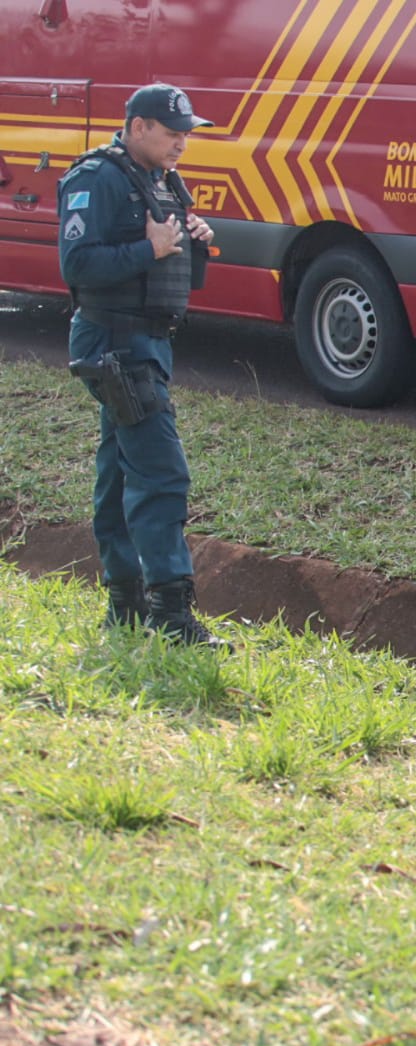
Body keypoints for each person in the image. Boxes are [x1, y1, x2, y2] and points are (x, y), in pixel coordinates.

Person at [57, 84, 225, 647]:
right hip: (114, 341)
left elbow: (173, 270)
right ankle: (171, 616)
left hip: (148, 341)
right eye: (172, 132)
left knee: (120, 469)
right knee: (161, 470)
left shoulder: (161, 181)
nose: (182, 142)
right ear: (136, 127)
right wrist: (148, 250)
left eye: (186, 133)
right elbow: (76, 262)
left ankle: (124, 604)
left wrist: (190, 240)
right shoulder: (96, 178)